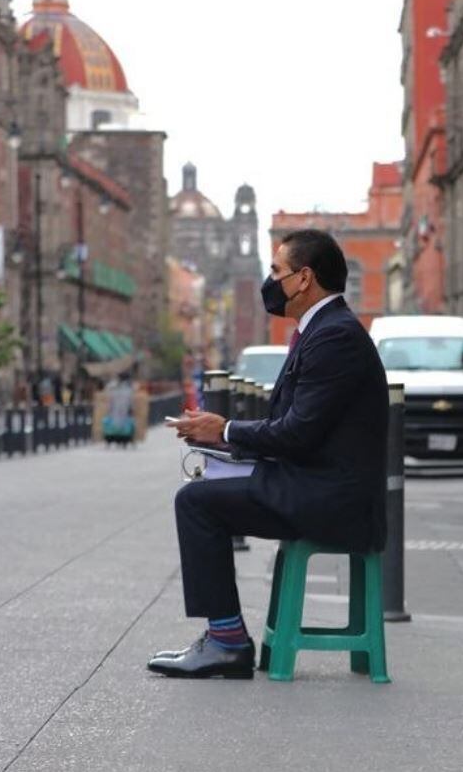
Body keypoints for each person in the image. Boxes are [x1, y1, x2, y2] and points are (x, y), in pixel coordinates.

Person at [149, 229, 388, 679]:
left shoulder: (334, 337)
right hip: (319, 485)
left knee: (196, 503)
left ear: (303, 278)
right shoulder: (322, 329)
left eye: (276, 271)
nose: (270, 281)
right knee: (206, 488)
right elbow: (298, 427)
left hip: (333, 499)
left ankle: (226, 642)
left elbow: (297, 433)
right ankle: (225, 638)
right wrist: (222, 441)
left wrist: (227, 428)